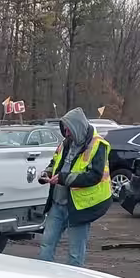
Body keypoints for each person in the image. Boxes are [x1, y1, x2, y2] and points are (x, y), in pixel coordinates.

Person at [37, 107, 112, 267]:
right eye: (64, 130)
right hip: (58, 204)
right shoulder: (65, 143)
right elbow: (54, 162)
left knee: (75, 252)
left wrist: (64, 178)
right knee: (46, 244)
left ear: (78, 127)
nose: (67, 133)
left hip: (80, 207)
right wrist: (47, 174)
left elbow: (95, 176)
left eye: (69, 130)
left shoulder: (98, 145)